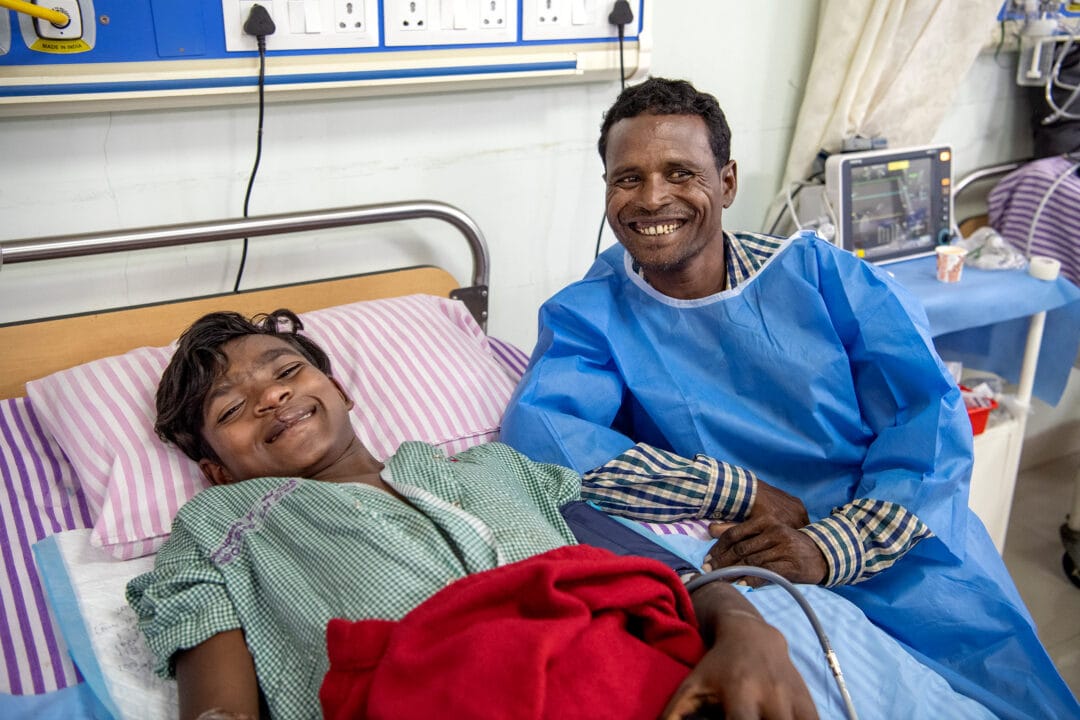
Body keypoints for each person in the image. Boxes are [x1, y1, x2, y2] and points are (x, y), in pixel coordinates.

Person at [499, 77, 1080, 720]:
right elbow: (546, 442)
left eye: (680, 172)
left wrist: (830, 547)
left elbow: (929, 427)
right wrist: (736, 491)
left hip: (899, 547)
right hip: (746, 556)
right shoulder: (591, 312)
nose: (652, 197)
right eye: (626, 178)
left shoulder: (824, 278)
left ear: (727, 182)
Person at [126, 309, 995, 720]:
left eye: (285, 371)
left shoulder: (495, 467)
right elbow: (221, 714)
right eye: (234, 408)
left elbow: (662, 577)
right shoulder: (220, 527)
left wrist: (747, 628)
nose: (271, 399)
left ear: (339, 386)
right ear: (212, 466)